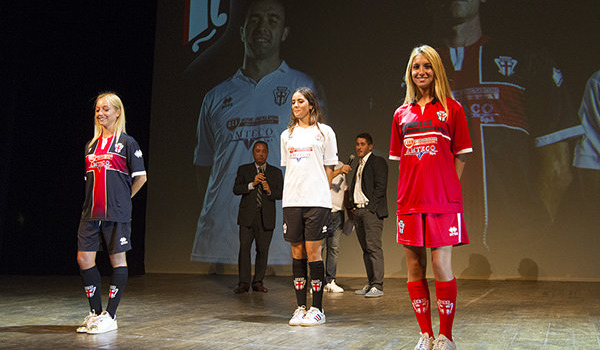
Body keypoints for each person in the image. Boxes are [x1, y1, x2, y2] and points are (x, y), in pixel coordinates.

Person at [430, 0, 583, 248]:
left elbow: (557, 168)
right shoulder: (410, 72)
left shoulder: (528, 60)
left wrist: (532, 231)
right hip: (439, 245)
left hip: (514, 244)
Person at [191, 0, 322, 266]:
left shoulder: (303, 87)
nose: (262, 26)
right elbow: (203, 165)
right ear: (241, 31)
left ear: (284, 32)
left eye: (273, 20)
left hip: (282, 237)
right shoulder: (216, 96)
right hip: (219, 236)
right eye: (254, 20)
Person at [389, 45, 472, 350]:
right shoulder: (401, 114)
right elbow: (403, 159)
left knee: (441, 264)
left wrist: (448, 186)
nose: (420, 72)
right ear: (409, 73)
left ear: (436, 69)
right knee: (414, 266)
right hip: (409, 202)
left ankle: (446, 337)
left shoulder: (452, 109)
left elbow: (461, 156)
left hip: (442, 203)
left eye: (426, 66)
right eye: (415, 67)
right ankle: (425, 335)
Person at [76, 92, 147, 334]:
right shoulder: (90, 145)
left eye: (106, 109)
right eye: (97, 109)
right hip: (90, 213)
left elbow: (141, 177)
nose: (100, 113)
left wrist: (123, 200)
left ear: (118, 112)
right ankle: (95, 314)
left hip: (116, 214)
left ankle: (111, 315)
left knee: (117, 260)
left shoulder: (127, 143)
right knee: (84, 259)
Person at [281, 87, 338, 326]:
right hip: (292, 200)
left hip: (317, 202)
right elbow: (289, 168)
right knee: (297, 253)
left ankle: (317, 309)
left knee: (314, 252)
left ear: (311, 105)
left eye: (300, 101)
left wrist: (322, 194)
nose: (295, 105)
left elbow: (329, 167)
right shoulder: (287, 135)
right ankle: (300, 307)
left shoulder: (324, 132)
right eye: (293, 101)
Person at [232, 141, 283, 294]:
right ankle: (243, 283)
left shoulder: (275, 172)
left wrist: (269, 191)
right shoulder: (244, 170)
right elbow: (236, 189)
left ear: (267, 153)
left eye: (263, 151)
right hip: (247, 217)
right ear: (253, 153)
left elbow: (281, 193)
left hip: (265, 217)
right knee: (244, 250)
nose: (260, 154)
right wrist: (252, 184)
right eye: (257, 151)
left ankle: (258, 282)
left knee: (263, 250)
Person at [349, 133, 388, 298]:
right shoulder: (359, 165)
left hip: (370, 212)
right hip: (358, 211)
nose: (359, 147)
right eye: (357, 144)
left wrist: (371, 208)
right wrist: (353, 207)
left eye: (362, 144)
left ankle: (378, 285)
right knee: (366, 249)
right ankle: (371, 282)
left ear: (370, 146)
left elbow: (381, 186)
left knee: (373, 248)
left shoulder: (377, 161)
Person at [323, 160, 351, 293]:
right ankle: (316, 281)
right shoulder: (319, 163)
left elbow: (344, 190)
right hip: (322, 212)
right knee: (319, 248)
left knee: (334, 248)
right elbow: (323, 179)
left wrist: (349, 212)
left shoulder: (341, 164)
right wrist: (339, 171)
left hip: (338, 213)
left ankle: (330, 281)